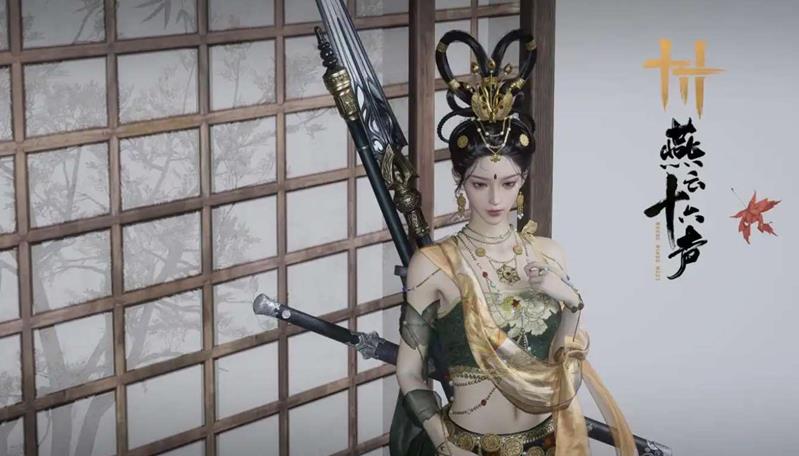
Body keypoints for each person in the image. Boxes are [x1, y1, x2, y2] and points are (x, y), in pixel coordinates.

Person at [389, 29, 638, 456]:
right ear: (460, 181)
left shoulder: (548, 253)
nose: (495, 199)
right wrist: (443, 442)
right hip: (466, 446)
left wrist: (571, 304)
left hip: (547, 443)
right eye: (479, 183)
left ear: (522, 180)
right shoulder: (433, 264)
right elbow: (410, 372)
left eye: (507, 183)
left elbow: (563, 370)